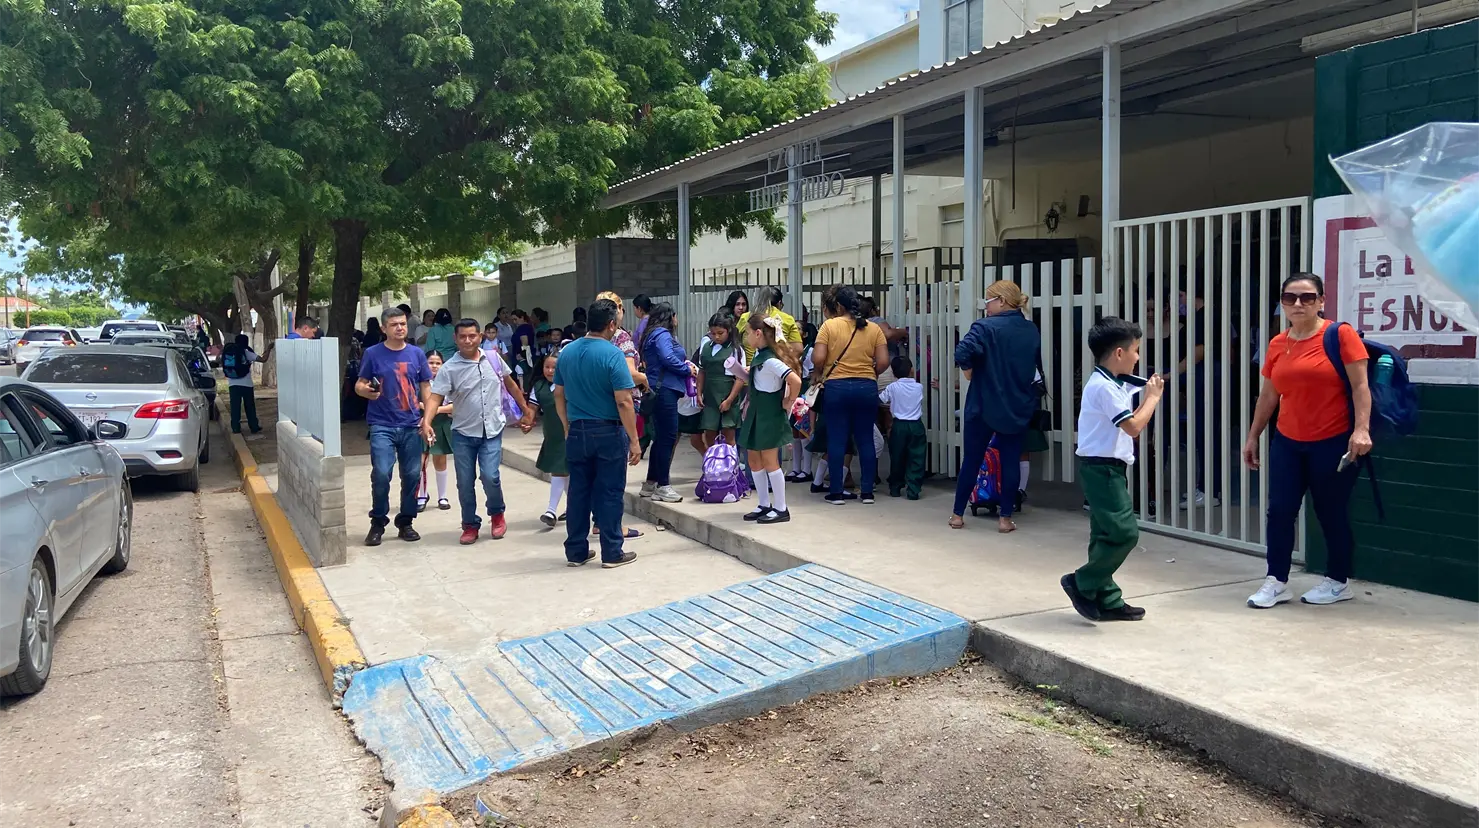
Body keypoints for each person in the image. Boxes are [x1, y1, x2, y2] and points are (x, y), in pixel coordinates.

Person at [1243, 273, 1372, 608]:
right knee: (1280, 511)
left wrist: (1361, 430)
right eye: (1290, 298)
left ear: (1321, 301)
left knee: (1330, 511)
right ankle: (1276, 580)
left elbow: (1360, 387)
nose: (1298, 304)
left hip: (1332, 440)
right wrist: (1253, 435)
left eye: (1307, 297)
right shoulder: (1277, 343)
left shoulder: (1339, 335)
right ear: (1282, 303)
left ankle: (1338, 581)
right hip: (1288, 441)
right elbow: (1268, 395)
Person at [1061, 317, 1165, 623]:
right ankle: (1081, 582)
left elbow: (1133, 395)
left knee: (1104, 535)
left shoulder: (1111, 381)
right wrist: (1153, 398)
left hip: (1107, 467)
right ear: (1119, 353)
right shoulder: (1103, 387)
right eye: (1135, 349)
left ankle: (1107, 598)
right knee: (1124, 533)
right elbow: (1133, 427)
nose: (1138, 357)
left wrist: (1150, 387)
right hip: (1102, 469)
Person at [422, 318, 532, 544]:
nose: (467, 340)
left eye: (472, 336)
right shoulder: (449, 368)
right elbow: (435, 397)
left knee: (490, 476)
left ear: (480, 337)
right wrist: (427, 422)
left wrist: (525, 409)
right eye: (462, 336)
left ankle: (497, 514)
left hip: (491, 430)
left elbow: (510, 384)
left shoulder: (493, 358)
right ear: (455, 339)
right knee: (465, 482)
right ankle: (470, 524)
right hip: (463, 433)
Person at [553, 299, 642, 568]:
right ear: (611, 324)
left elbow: (559, 394)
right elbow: (624, 401)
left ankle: (576, 551)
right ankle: (612, 552)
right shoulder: (612, 354)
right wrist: (634, 441)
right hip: (607, 432)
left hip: (577, 430)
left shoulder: (567, 352)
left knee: (578, 492)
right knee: (610, 492)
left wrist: (566, 426)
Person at [950, 280, 1041, 533]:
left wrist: (969, 371)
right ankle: (1005, 519)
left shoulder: (984, 327)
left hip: (982, 404)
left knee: (972, 460)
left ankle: (957, 515)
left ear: (1002, 301)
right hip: (1016, 404)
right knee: (1011, 461)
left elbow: (962, 353)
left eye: (988, 301)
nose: (986, 307)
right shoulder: (1030, 330)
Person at [357, 307, 432, 546]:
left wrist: (427, 419)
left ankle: (406, 522)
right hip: (382, 424)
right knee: (381, 473)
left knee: (412, 475)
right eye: (394, 324)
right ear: (384, 328)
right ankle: (378, 522)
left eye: (402, 324)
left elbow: (426, 387)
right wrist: (366, 391)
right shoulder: (373, 353)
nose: (400, 328)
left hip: (411, 424)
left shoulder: (417, 354)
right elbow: (360, 384)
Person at [812, 285, 889, 505]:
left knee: (837, 439)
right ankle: (867, 492)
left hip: (837, 387)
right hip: (867, 388)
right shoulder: (874, 329)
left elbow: (818, 358)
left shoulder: (829, 326)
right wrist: (870, 374)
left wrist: (821, 370)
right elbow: (883, 361)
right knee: (865, 439)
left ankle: (836, 492)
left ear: (838, 306)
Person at [593, 291, 648, 540]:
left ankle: (598, 520)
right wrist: (644, 378)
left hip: (593, 410)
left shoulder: (585, 341)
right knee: (614, 474)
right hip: (619, 409)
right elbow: (628, 375)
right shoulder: (621, 338)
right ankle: (613, 526)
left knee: (596, 473)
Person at [738, 315, 802, 524]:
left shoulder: (771, 360)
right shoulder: (761, 356)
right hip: (757, 411)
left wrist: (789, 401)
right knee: (754, 458)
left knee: (769, 460)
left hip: (769, 413)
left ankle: (781, 507)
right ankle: (764, 504)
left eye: (748, 332)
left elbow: (795, 380)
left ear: (758, 333)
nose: (746, 337)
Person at [639, 301, 696, 504]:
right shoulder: (662, 334)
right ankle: (663, 485)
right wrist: (686, 369)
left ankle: (651, 483)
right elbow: (667, 357)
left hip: (658, 388)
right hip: (665, 390)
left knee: (661, 437)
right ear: (670, 317)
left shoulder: (651, 334)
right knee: (668, 437)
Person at [529, 352, 568, 528]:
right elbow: (532, 409)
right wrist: (527, 422)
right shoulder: (538, 387)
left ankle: (551, 511)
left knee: (560, 470)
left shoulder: (570, 385)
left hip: (569, 433)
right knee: (565, 472)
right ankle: (575, 507)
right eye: (547, 367)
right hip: (552, 435)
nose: (550, 371)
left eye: (554, 367)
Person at [881, 355, 926, 499]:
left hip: (899, 425)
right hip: (916, 424)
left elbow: (881, 399)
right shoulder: (919, 387)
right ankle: (913, 489)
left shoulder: (892, 387)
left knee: (897, 457)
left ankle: (895, 487)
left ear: (893, 373)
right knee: (917, 457)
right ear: (911, 370)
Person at [696, 310, 743, 450]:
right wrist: (699, 393)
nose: (716, 336)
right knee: (709, 434)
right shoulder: (706, 347)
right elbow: (702, 371)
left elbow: (740, 378)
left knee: (729, 434)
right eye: (713, 333)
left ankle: (730, 462)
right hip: (710, 397)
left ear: (728, 331)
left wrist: (729, 400)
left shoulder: (735, 350)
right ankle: (713, 460)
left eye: (720, 333)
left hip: (728, 395)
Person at [417, 351, 455, 512]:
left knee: (440, 459)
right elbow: (413, 401)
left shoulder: (448, 381)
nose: (434, 366)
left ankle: (442, 496)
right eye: (430, 363)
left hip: (442, 423)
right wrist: (426, 410)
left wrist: (436, 410)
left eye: (437, 363)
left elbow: (456, 404)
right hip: (421, 423)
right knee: (420, 461)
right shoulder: (419, 382)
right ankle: (421, 495)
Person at [222, 334, 271, 439]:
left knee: (235, 407)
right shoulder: (246, 353)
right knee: (249, 406)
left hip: (232, 384)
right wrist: (269, 349)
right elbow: (263, 359)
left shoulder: (229, 352)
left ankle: (235, 427)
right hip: (246, 384)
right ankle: (254, 426)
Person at [738, 285, 803, 361]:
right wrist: (784, 361)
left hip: (750, 366)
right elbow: (798, 349)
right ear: (779, 303)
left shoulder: (745, 317)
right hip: (778, 365)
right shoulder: (787, 319)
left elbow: (734, 341)